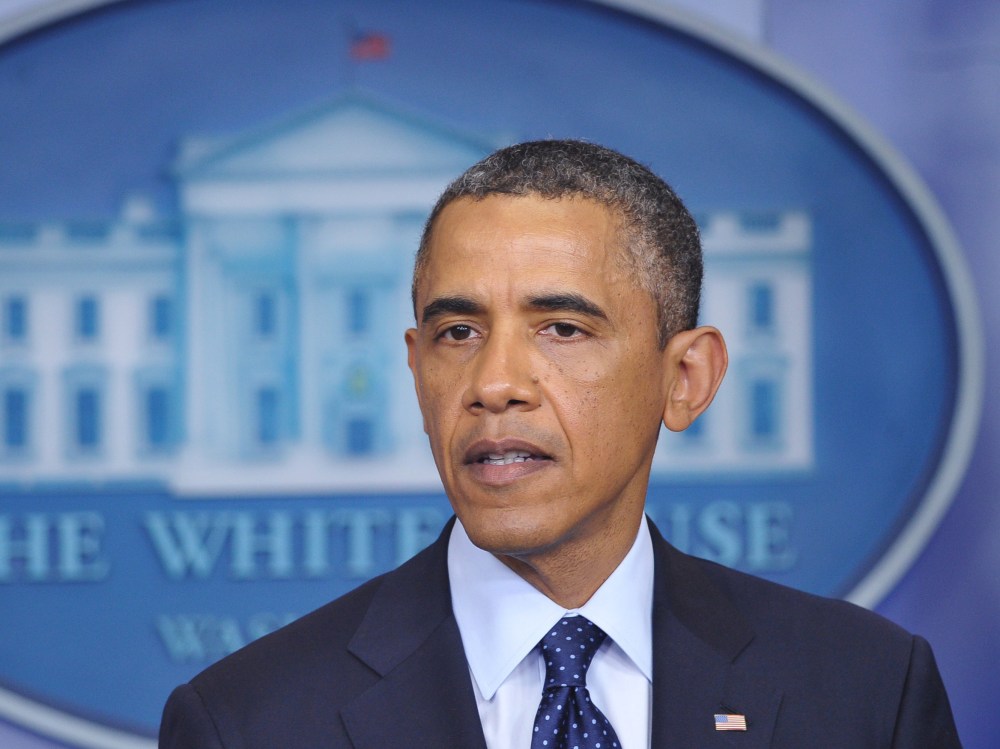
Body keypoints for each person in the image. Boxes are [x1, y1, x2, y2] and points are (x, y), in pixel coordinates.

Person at [159, 140, 961, 748]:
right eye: (458, 331)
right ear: (415, 372)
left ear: (685, 377)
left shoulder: (866, 692)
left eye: (562, 328)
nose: (494, 380)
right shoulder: (245, 720)